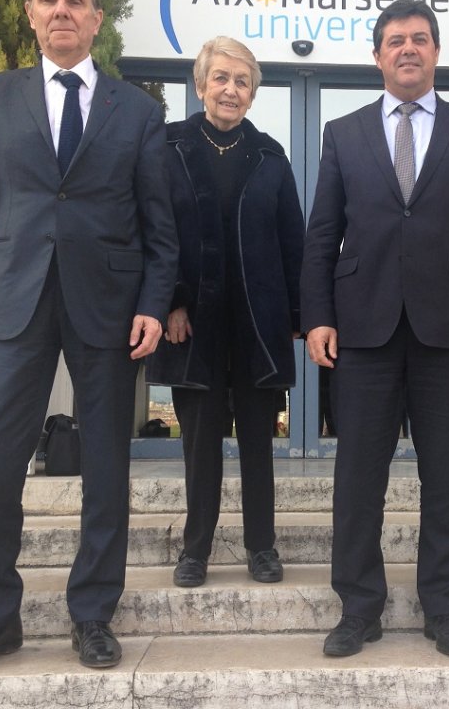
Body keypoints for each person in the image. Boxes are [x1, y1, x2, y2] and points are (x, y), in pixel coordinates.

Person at [0, 0, 178, 676]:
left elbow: (157, 225)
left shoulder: (135, 109)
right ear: (30, 12)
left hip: (107, 307)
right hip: (13, 299)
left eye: (75, 0)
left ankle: (93, 614)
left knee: (106, 462)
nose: (62, 10)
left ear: (97, 20)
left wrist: (153, 304)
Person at [301, 0, 449, 658]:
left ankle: (444, 611)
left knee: (447, 477)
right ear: (377, 56)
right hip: (363, 329)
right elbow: (322, 237)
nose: (408, 50)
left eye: (420, 40)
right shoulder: (342, 133)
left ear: (436, 52)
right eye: (395, 41)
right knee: (357, 479)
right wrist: (316, 317)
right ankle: (359, 610)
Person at [146, 36, 305, 588]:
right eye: (221, 78)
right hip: (192, 325)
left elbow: (294, 243)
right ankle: (196, 549)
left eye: (242, 81)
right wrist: (167, 302)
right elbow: (154, 232)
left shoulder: (270, 156)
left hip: (257, 326)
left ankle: (263, 547)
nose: (230, 90)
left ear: (253, 93)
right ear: (200, 85)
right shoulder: (168, 148)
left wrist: (299, 316)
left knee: (259, 444)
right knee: (200, 445)